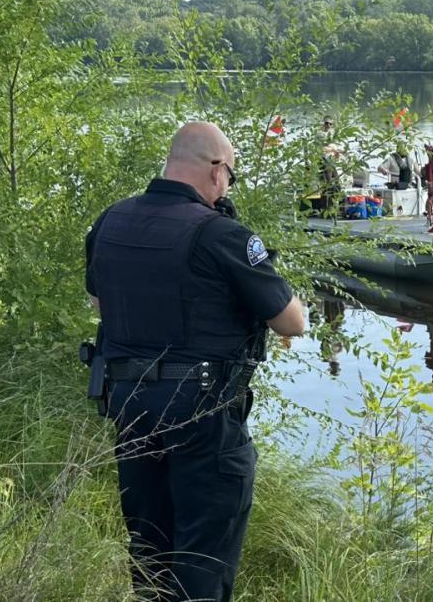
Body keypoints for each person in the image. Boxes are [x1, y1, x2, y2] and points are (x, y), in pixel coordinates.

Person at [85, 121, 306, 602]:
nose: (227, 185)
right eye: (229, 174)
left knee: (149, 552)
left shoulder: (110, 221)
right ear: (213, 169)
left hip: (131, 410)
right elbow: (292, 323)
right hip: (203, 418)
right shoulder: (221, 235)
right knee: (202, 562)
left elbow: (102, 306)